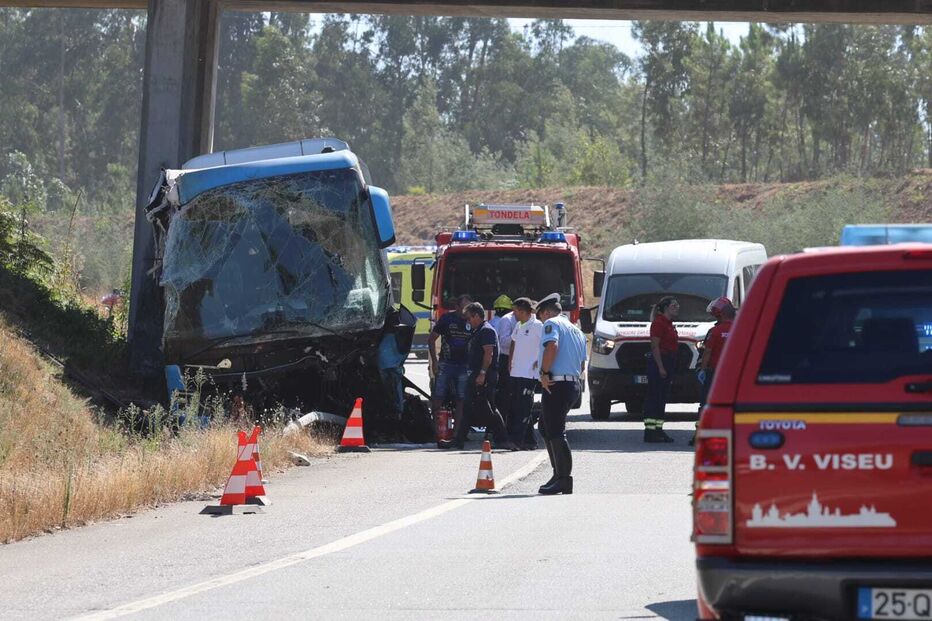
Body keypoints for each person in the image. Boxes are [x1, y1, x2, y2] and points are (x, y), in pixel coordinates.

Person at [441, 302, 516, 450]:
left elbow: (489, 353)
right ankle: (458, 441)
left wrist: (482, 373)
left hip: (485, 375)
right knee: (468, 408)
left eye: (469, 318)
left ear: (476, 316)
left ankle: (503, 439)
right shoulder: (478, 330)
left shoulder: (486, 330)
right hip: (475, 374)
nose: (468, 322)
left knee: (489, 408)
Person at [537, 294, 587, 495]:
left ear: (547, 312)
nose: (541, 321)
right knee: (544, 426)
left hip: (556, 383)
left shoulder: (551, 324)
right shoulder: (577, 330)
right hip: (572, 383)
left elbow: (552, 346)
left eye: (540, 316)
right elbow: (582, 362)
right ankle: (558, 474)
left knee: (556, 430)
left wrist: (544, 372)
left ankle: (564, 478)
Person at [691, 297, 736, 445]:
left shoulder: (715, 331)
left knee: (706, 405)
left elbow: (707, 353)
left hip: (714, 374)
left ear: (720, 315)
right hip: (733, 376)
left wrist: (702, 370)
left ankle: (700, 435)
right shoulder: (741, 329)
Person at [428, 294, 472, 434]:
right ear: (457, 307)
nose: (467, 311)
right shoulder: (447, 319)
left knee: (461, 400)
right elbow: (431, 339)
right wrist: (435, 362)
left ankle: (458, 434)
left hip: (464, 366)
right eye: (464, 307)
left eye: (469, 307)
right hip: (446, 364)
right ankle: (436, 431)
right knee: (438, 397)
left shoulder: (472, 321)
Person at [644, 296, 680, 443]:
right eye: (674, 305)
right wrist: (660, 367)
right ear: (665, 308)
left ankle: (658, 430)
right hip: (660, 362)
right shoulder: (659, 323)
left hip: (668, 362)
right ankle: (650, 431)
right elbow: (655, 346)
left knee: (662, 398)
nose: (677, 307)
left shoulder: (669, 324)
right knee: (655, 398)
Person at [508, 297, 543, 449]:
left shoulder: (538, 326)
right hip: (516, 371)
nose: (513, 313)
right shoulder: (518, 324)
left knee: (523, 408)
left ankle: (516, 441)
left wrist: (539, 361)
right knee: (518, 406)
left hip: (529, 373)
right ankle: (530, 441)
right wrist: (510, 361)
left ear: (522, 311)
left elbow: (547, 345)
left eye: (515, 310)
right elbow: (513, 342)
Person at [491, 294, 517, 428]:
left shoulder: (491, 322)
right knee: (506, 394)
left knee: (502, 394)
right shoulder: (506, 321)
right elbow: (504, 342)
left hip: (498, 360)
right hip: (504, 359)